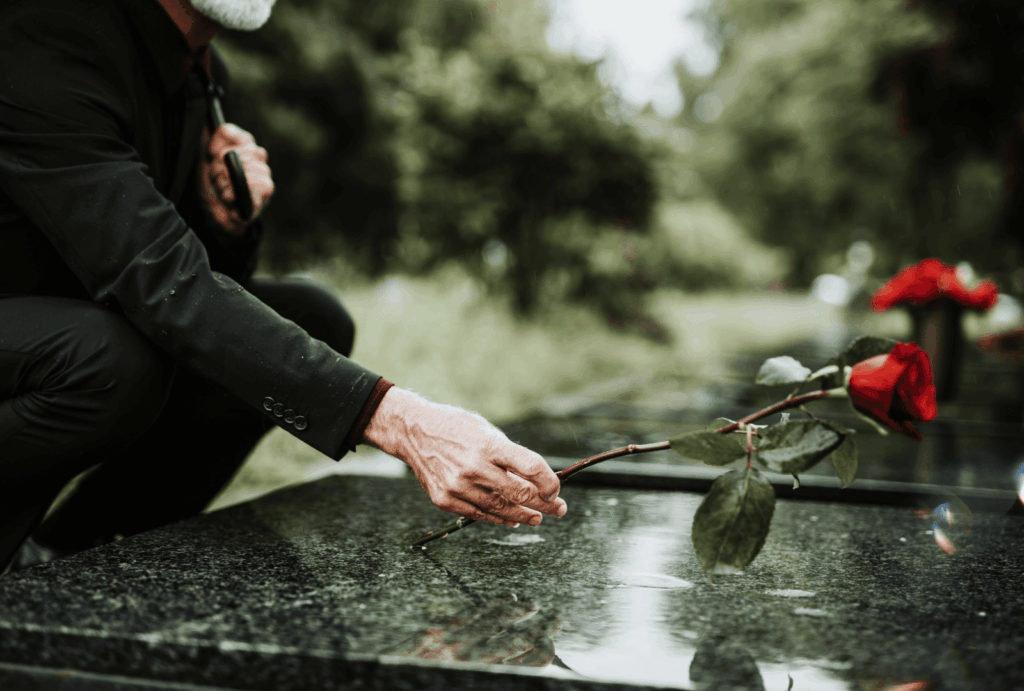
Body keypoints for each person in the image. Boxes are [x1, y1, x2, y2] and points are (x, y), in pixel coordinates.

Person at [0, 0, 566, 573]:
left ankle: (67, 557)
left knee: (313, 315)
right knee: (104, 358)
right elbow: (159, 281)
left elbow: (200, 300)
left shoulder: (203, 72)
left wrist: (226, 223)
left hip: (66, 317)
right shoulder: (47, 33)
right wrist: (398, 419)